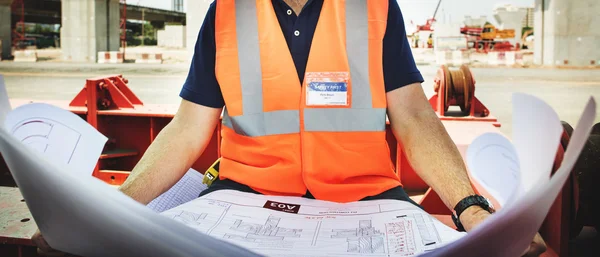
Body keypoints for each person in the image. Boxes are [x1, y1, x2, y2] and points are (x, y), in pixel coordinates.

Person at [32, 0, 547, 256]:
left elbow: (413, 115)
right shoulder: (226, 13)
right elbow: (189, 128)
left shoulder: (374, 8)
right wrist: (114, 210)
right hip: (242, 196)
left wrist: (471, 208)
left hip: (368, 199)